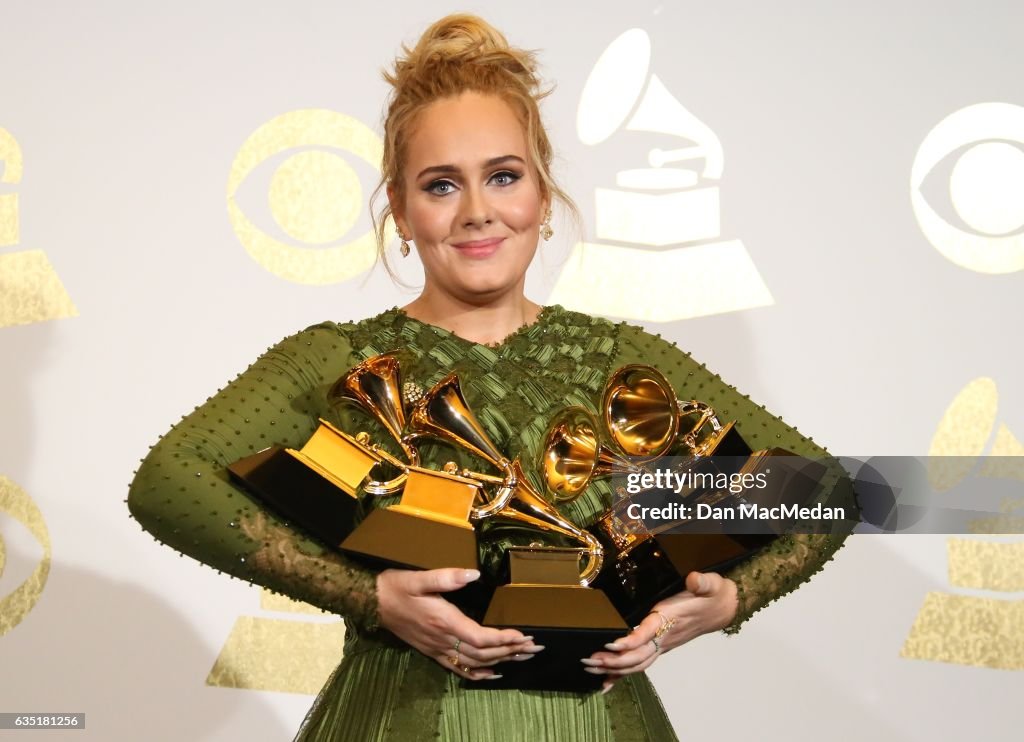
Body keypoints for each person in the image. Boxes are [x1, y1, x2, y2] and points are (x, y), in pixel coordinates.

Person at [127, 14, 857, 741]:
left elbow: (823, 489)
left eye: (503, 177)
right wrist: (368, 597)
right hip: (402, 720)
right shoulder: (336, 359)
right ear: (403, 211)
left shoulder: (617, 360)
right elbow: (167, 479)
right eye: (441, 186)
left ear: (542, 196)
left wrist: (726, 601)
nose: (477, 212)